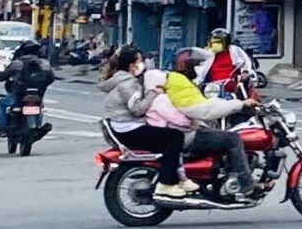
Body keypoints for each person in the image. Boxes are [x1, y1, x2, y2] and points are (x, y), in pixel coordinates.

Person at [162, 48, 256, 200]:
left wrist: (232, 103)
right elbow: (204, 110)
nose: (201, 69)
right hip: (186, 134)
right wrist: (240, 105)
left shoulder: (178, 80)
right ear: (187, 67)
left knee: (221, 136)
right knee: (233, 139)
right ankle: (247, 185)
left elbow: (205, 103)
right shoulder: (179, 83)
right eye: (197, 65)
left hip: (183, 130)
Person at [101, 47, 188, 198]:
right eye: (139, 61)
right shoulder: (128, 83)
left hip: (121, 127)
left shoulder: (118, 79)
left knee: (165, 138)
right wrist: (153, 93)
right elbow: (137, 109)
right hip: (129, 129)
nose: (142, 64)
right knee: (175, 137)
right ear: (131, 65)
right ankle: (167, 183)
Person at [0, 41, 55, 139]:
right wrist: (42, 87)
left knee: (1, 103)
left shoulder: (17, 63)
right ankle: (38, 126)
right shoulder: (45, 63)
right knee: (39, 108)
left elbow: (4, 75)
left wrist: (0, 77)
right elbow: (51, 78)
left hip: (18, 96)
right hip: (38, 96)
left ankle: (2, 128)